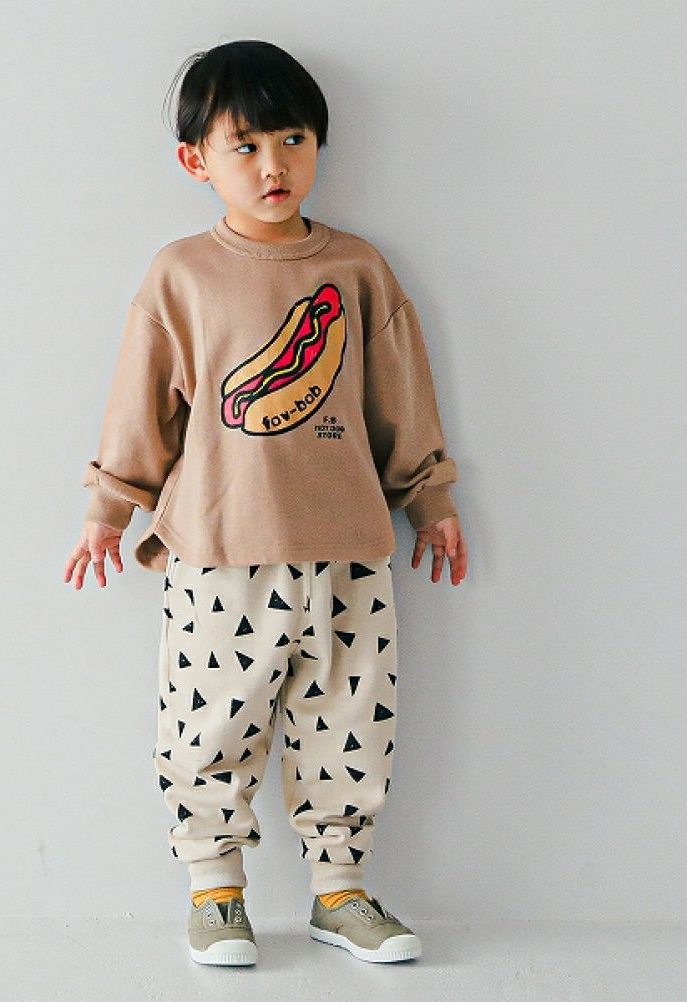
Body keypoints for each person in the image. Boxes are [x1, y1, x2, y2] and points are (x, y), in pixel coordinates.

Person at [63, 38, 468, 967]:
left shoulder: (358, 269)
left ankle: (341, 891)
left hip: (349, 546)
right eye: (244, 145)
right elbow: (141, 404)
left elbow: (401, 398)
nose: (273, 164)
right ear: (195, 160)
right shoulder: (181, 274)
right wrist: (108, 509)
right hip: (219, 546)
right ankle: (216, 892)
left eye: (292, 140)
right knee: (208, 722)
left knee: (351, 723)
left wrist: (432, 497)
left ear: (319, 144)